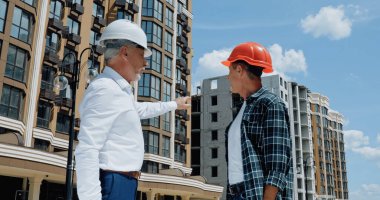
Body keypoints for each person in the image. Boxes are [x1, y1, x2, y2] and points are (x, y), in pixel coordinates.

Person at [75, 19, 191, 200]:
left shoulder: (118, 91)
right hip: (114, 182)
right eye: (142, 54)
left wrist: (174, 104)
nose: (145, 63)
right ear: (125, 52)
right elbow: (87, 149)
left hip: (123, 182)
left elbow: (140, 109)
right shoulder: (105, 89)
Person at [222, 42, 293, 200]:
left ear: (239, 69)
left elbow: (277, 163)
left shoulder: (270, 104)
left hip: (255, 193)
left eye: (230, 70)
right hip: (235, 192)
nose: (228, 77)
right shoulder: (243, 107)